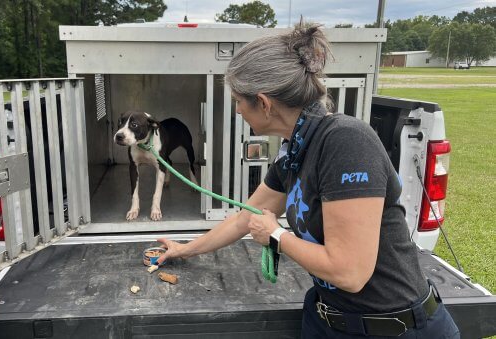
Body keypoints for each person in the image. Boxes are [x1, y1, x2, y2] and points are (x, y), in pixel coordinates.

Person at [156, 22, 460, 338]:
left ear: (263, 102)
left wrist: (276, 235)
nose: (237, 110)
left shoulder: (346, 142)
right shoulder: (294, 153)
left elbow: (350, 271)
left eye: (238, 100)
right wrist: (184, 249)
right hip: (329, 319)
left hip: (392, 328)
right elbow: (244, 219)